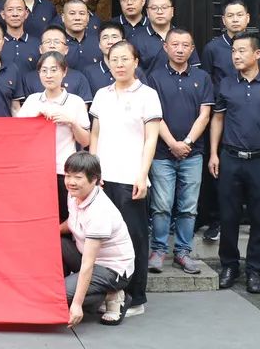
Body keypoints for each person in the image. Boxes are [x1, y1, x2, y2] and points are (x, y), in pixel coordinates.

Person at [209, 33, 260, 295]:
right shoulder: (226, 84)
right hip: (231, 158)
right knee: (228, 216)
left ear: (257, 54)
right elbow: (218, 119)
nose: (236, 56)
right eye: (233, 51)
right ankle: (229, 266)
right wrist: (214, 153)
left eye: (242, 51)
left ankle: (255, 271)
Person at [88, 40, 161, 317]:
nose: (119, 64)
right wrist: (93, 171)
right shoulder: (102, 94)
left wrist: (142, 175)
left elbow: (151, 138)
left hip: (131, 178)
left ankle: (136, 297)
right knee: (106, 239)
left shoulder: (148, 95)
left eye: (124, 59)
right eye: (114, 59)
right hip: (103, 178)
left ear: (135, 62)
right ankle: (111, 293)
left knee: (134, 237)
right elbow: (95, 134)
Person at [199, 0, 260, 243]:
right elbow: (207, 80)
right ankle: (216, 221)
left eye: (239, 15)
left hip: (255, 115)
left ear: (247, 18)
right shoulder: (212, 48)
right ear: (223, 20)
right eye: (230, 16)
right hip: (223, 112)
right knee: (219, 171)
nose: (235, 19)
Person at [146, 28, 214, 275]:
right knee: (161, 205)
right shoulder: (154, 78)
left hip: (192, 154)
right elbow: (154, 116)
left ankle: (183, 252)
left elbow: (205, 115)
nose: (180, 49)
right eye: (175, 44)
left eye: (185, 45)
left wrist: (186, 142)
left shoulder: (202, 77)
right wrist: (172, 143)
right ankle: (158, 250)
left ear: (192, 49)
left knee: (188, 207)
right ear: (165, 47)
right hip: (162, 154)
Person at [62, 152, 135, 327]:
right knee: (54, 243)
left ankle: (111, 295)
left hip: (112, 269)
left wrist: (77, 305)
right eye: (68, 175)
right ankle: (77, 288)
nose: (71, 181)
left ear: (94, 179)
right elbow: (72, 223)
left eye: (78, 177)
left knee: (59, 295)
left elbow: (88, 264)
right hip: (88, 257)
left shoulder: (100, 212)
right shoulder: (74, 194)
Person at [18, 51, 91, 222]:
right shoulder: (32, 101)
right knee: (35, 217)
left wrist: (72, 122)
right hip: (35, 170)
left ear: (64, 72)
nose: (48, 75)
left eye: (53, 70)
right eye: (44, 70)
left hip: (63, 171)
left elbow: (85, 141)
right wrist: (33, 120)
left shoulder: (75, 102)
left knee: (64, 217)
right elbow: (18, 136)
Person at [132, 0, 201, 73]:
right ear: (147, 12)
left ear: (172, 11)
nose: (160, 12)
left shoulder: (184, 37)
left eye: (164, 7)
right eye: (154, 8)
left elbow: (194, 70)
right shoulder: (136, 40)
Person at [20, 26, 94, 103]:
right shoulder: (29, 78)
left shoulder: (79, 78)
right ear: (40, 49)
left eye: (57, 42)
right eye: (48, 42)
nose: (52, 45)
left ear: (66, 50)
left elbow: (82, 108)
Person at [82, 21, 145, 96]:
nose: (110, 42)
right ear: (99, 45)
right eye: (105, 38)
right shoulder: (89, 72)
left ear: (124, 42)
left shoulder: (135, 70)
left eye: (114, 37)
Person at [0, 0, 41, 74]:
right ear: (3, 14)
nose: (15, 14)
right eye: (10, 10)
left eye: (19, 9)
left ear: (26, 13)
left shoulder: (37, 44)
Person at [61, 0, 102, 71]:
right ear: (63, 17)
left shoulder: (99, 42)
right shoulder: (57, 44)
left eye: (82, 13)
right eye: (72, 13)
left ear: (88, 17)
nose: (77, 18)